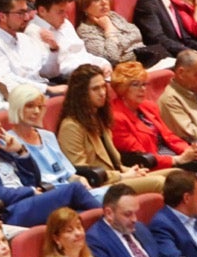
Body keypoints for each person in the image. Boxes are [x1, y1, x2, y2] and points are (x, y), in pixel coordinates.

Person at [0, 108, 100, 228]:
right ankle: (108, 225)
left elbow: (33, 178)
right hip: (9, 213)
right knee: (74, 189)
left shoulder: (0, 150)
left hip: (27, 203)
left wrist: (20, 151)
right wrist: (29, 192)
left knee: (77, 215)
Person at [56, 64, 167, 193]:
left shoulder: (99, 118)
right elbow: (81, 170)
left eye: (103, 86)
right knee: (160, 182)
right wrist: (122, 176)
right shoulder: (71, 126)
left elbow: (113, 162)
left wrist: (129, 170)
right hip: (101, 186)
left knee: (176, 176)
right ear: (81, 93)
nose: (102, 93)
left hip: (119, 176)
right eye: (95, 89)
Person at [110, 63, 197, 172]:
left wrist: (191, 151)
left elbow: (170, 137)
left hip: (172, 156)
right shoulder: (116, 117)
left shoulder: (148, 106)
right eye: (135, 84)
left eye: (144, 84)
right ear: (122, 88)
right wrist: (178, 159)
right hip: (152, 165)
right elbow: (139, 155)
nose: (142, 89)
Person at [7, 85, 99, 192]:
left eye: (40, 107)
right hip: (50, 195)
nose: (36, 111)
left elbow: (69, 175)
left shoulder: (48, 136)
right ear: (16, 108)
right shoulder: (10, 142)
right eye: (30, 106)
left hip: (72, 190)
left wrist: (80, 179)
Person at [0, 0, 59, 93]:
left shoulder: (24, 38)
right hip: (23, 95)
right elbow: (7, 79)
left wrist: (53, 49)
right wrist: (47, 89)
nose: (27, 18)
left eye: (26, 12)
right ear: (2, 17)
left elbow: (49, 72)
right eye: (20, 13)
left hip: (43, 86)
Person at [84, 184, 168, 257]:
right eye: (128, 214)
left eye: (135, 213)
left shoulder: (139, 227)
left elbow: (159, 255)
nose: (134, 219)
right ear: (109, 213)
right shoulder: (95, 239)